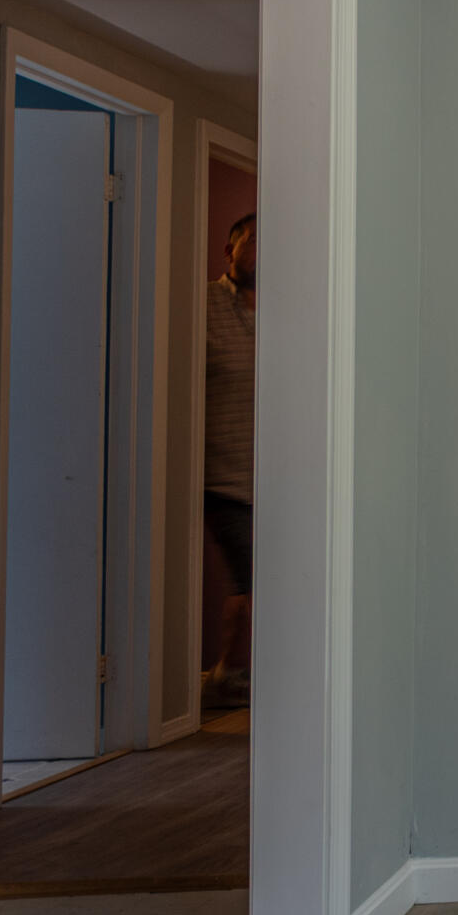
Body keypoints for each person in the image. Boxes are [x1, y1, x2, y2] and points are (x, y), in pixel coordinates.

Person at [202, 211, 255, 710]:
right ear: (229, 251)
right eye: (251, 241)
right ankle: (228, 672)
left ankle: (227, 672)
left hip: (282, 473)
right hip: (221, 473)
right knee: (253, 575)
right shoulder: (203, 304)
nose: (260, 250)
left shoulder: (292, 309)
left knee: (257, 577)